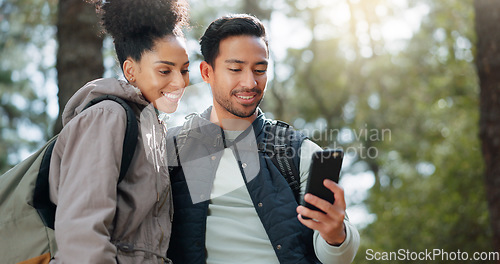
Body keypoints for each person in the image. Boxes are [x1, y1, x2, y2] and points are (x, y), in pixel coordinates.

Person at [166, 14, 360, 263]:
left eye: (260, 70)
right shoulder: (171, 149)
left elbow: (338, 257)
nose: (250, 82)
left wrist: (335, 235)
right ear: (207, 72)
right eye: (235, 69)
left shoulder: (298, 152)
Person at [47, 0, 189, 263]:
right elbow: (82, 235)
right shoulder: (107, 117)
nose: (180, 82)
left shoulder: (153, 130)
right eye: (165, 70)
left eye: (184, 70)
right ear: (130, 71)